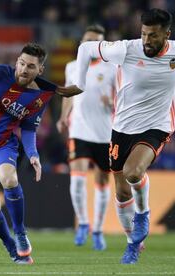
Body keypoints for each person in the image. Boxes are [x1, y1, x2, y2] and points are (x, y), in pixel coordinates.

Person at [74, 8, 175, 264]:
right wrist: (80, 85)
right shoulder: (126, 49)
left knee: (133, 172)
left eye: (153, 36)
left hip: (158, 125)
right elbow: (86, 50)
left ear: (167, 34)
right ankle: (133, 242)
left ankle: (143, 213)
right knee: (121, 191)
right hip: (122, 126)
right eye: (144, 34)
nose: (146, 41)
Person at [0, 43, 81, 264]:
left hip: (3, 145)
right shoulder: (0, 73)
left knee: (9, 178)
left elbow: (29, 127)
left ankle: (21, 234)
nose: (23, 69)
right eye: (21, 63)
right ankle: (10, 246)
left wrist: (33, 154)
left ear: (40, 70)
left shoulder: (40, 96)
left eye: (30, 66)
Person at [57, 24, 117, 250]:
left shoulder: (112, 67)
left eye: (96, 41)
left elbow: (122, 98)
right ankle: (83, 223)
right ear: (82, 43)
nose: (90, 44)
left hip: (105, 132)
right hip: (79, 129)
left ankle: (98, 229)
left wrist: (111, 103)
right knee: (78, 175)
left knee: (102, 181)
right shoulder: (72, 67)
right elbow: (68, 94)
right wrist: (64, 116)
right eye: (88, 40)